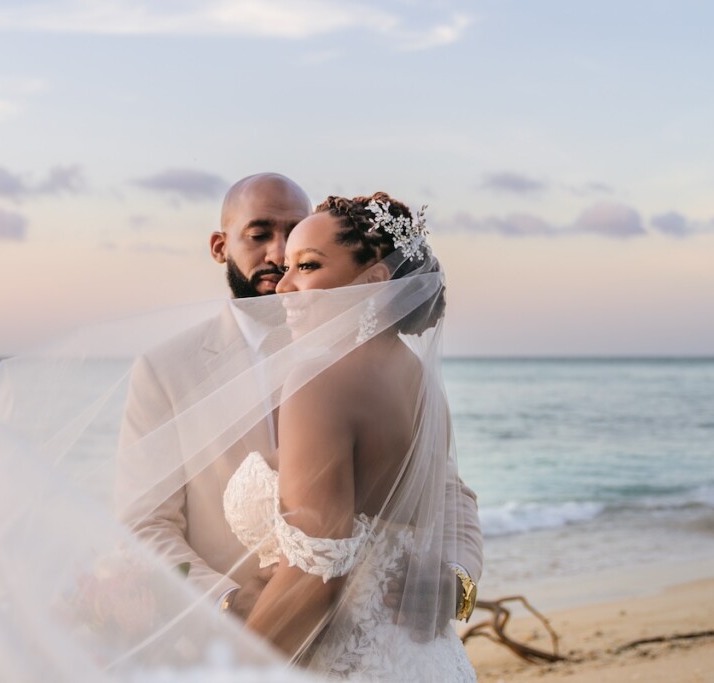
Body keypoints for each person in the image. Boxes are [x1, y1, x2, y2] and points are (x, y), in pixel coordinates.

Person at [117, 174, 481, 624]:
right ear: (219, 246)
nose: (276, 253)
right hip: (240, 632)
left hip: (371, 634)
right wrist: (227, 602)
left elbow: (445, 485)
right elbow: (144, 523)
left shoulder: (368, 356)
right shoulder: (165, 370)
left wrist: (457, 579)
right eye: (259, 234)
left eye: (293, 236)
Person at [226, 192, 477, 679]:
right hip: (427, 660)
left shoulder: (319, 378)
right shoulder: (421, 381)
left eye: (308, 266)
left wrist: (230, 668)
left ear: (375, 281)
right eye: (287, 267)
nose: (283, 288)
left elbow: (317, 574)